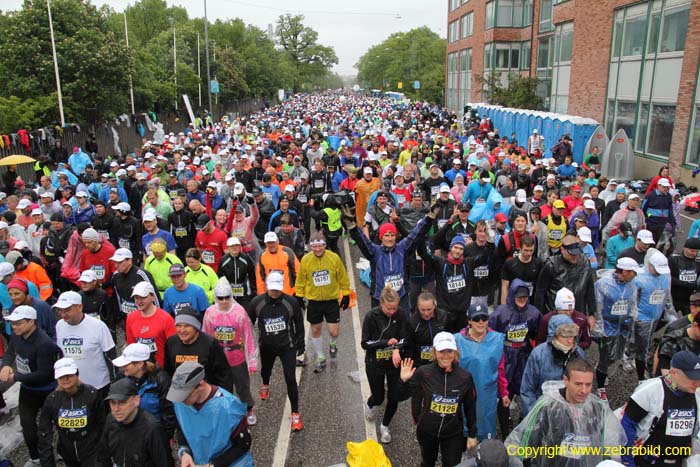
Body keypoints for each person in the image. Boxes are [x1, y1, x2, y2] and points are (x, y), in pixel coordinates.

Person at [506, 359, 625, 467]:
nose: (584, 390)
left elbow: (611, 446)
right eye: (578, 384)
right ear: (566, 380)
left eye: (588, 385)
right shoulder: (548, 406)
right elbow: (523, 440)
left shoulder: (597, 408)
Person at [399, 332, 478, 467]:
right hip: (427, 431)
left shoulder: (465, 377)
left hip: (453, 433)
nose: (446, 356)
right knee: (428, 462)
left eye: (449, 351)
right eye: (442, 351)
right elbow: (402, 396)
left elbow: (470, 406)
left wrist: (472, 434)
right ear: (435, 352)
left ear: (455, 352)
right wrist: (403, 380)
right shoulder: (423, 373)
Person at [0, 305, 62, 466]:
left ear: (31, 322)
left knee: (57, 425)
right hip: (28, 391)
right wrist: (6, 365)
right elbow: (10, 353)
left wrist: (16, 377)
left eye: (19, 323)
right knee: (27, 427)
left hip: (48, 390)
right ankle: (35, 458)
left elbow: (45, 374)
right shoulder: (16, 336)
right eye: (13, 323)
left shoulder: (44, 344)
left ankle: (63, 452)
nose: (14, 327)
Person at [345, 203, 436, 310]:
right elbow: (362, 241)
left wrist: (429, 218)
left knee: (404, 326)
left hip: (401, 299)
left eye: (392, 235)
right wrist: (353, 226)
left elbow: (416, 233)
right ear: (381, 237)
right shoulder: (375, 251)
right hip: (379, 300)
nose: (390, 238)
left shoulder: (402, 248)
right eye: (386, 235)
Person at [620, 351, 700, 467]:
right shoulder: (650, 390)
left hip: (678, 462)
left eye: (698, 377)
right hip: (648, 461)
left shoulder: (696, 395)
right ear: (673, 372)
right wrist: (628, 461)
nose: (696, 383)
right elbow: (627, 426)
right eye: (691, 378)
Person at [167, 361, 254, 467]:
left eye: (185, 395)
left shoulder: (229, 407)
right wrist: (185, 453)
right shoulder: (180, 402)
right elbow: (182, 429)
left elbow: (243, 445)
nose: (181, 401)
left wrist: (212, 465)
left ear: (201, 385)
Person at [249, 272, 305, 431]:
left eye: (277, 289)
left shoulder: (290, 302)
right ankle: (265, 384)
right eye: (272, 289)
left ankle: (295, 413)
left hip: (287, 346)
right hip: (266, 346)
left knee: (290, 378)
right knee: (266, 371)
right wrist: (249, 347)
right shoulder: (257, 302)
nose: (274, 292)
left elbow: (299, 323)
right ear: (267, 286)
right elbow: (248, 323)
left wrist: (301, 342)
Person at [203, 277, 259, 425]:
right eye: (220, 298)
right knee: (222, 390)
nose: (223, 301)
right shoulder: (210, 313)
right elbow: (206, 337)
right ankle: (225, 413)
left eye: (227, 298)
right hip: (219, 360)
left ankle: (249, 408)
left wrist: (252, 360)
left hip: (237, 359)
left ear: (231, 297)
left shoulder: (239, 312)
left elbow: (249, 337)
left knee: (243, 388)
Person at [489, 280, 541, 434]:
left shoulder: (533, 312)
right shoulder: (500, 313)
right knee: (505, 392)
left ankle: (523, 423)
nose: (522, 299)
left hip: (524, 355)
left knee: (527, 391)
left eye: (525, 296)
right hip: (506, 355)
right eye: (519, 297)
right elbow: (491, 334)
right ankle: (505, 428)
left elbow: (537, 333)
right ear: (512, 295)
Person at [295, 232, 351, 372]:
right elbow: (301, 279)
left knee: (334, 331)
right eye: (315, 246)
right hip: (314, 301)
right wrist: (299, 295)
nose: (318, 249)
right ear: (311, 247)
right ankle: (320, 357)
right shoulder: (306, 260)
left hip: (331, 300)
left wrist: (346, 293)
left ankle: (332, 343)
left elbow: (342, 276)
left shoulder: (334, 258)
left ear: (325, 245)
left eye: (320, 246)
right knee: (316, 329)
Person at [37, 358, 106, 467]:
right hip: (67, 453)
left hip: (92, 452)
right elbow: (44, 432)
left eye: (69, 374)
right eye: (61, 376)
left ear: (76, 374)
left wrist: (103, 453)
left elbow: (102, 424)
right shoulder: (52, 400)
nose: (66, 379)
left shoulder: (92, 394)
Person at [455, 303, 508, 441]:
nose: (480, 321)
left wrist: (504, 393)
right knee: (464, 424)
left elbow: (500, 369)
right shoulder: (457, 340)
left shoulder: (497, 340)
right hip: (464, 393)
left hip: (487, 395)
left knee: (486, 427)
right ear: (469, 321)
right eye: (476, 318)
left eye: (484, 318)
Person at [361, 286, 407, 444]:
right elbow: (365, 343)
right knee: (379, 397)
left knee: (394, 397)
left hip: (393, 363)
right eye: (389, 308)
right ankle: (370, 404)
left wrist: (396, 349)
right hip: (375, 362)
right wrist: (385, 342)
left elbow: (404, 338)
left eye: (395, 308)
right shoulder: (371, 316)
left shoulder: (401, 314)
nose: (392, 311)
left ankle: (385, 426)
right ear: (381, 304)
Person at [54, 290, 116, 398]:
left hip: (99, 384)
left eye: (67, 310)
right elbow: (61, 354)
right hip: (73, 385)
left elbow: (110, 355)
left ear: (80, 307)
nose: (63, 314)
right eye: (60, 310)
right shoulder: (59, 325)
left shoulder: (98, 326)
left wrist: (114, 381)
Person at [99, 378, 173, 467]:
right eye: (112, 403)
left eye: (122, 402)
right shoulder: (110, 420)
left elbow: (164, 463)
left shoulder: (152, 429)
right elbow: (103, 455)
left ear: (136, 401)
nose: (116, 409)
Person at [521, 314, 587, 415]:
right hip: (543, 411)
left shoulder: (579, 353)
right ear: (553, 335)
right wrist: (533, 416)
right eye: (564, 336)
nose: (570, 341)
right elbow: (528, 389)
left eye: (572, 336)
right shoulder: (538, 355)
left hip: (570, 412)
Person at [594, 257, 639, 401]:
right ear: (624, 271)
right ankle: (600, 386)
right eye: (633, 272)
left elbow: (632, 303)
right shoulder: (603, 284)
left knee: (616, 356)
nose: (635, 275)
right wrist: (599, 328)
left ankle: (604, 371)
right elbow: (598, 308)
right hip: (607, 327)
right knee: (605, 358)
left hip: (622, 327)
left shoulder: (631, 284)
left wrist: (632, 318)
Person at [111, 343, 176, 439]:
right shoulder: (121, 377)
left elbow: (169, 412)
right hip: (128, 433)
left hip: (154, 434)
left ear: (140, 364)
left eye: (126, 364)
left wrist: (164, 437)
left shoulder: (161, 380)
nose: (122, 366)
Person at [629, 252, 675, 381]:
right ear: (650, 265)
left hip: (656, 316)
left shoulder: (665, 275)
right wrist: (633, 317)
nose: (659, 272)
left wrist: (670, 314)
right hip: (641, 317)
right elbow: (632, 300)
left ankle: (632, 355)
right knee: (640, 343)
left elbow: (667, 296)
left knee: (645, 341)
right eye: (656, 269)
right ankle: (638, 367)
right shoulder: (639, 277)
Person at [163, 306, 233, 390]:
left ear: (196, 327)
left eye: (187, 326)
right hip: (180, 394)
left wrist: (223, 398)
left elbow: (224, 375)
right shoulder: (171, 342)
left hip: (205, 395)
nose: (182, 330)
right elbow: (168, 372)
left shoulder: (210, 343)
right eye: (178, 325)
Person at [535, 233, 597, 319]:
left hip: (578, 312)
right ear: (562, 249)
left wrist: (591, 313)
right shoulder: (551, 265)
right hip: (556, 314)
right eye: (571, 254)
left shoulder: (585, 262)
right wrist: (540, 317)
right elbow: (540, 292)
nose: (575, 257)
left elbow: (590, 288)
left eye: (577, 254)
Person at [125, 281, 176, 368]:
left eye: (143, 297)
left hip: (161, 369)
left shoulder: (166, 318)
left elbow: (174, 347)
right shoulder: (131, 318)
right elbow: (131, 345)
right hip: (140, 369)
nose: (139, 301)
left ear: (152, 296)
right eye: (136, 298)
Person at [218, 236, 257, 321]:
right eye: (232, 246)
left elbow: (252, 276)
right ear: (228, 248)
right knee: (229, 314)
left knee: (245, 314)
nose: (234, 248)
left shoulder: (246, 258)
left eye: (237, 246)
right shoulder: (223, 260)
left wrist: (254, 291)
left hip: (244, 292)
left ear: (240, 247)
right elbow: (220, 277)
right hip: (229, 292)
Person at [404, 292, 447, 368]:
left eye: (429, 309)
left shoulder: (443, 316)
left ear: (434, 305)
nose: (426, 313)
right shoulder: (412, 321)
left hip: (440, 360)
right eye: (422, 310)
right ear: (418, 307)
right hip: (420, 362)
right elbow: (409, 346)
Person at [255, 231, 300, 296]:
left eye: (273, 242)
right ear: (265, 244)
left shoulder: (287, 252)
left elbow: (298, 271)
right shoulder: (262, 255)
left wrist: (296, 290)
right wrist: (261, 293)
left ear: (277, 241)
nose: (271, 245)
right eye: (268, 243)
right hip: (270, 293)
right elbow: (259, 276)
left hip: (288, 292)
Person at [669, 237, 700, 314]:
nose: (694, 254)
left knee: (691, 321)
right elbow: (669, 278)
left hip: (689, 298)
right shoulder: (674, 258)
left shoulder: (698, 260)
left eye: (697, 251)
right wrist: (688, 284)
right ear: (685, 248)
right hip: (674, 296)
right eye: (692, 251)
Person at [642, 177, 675, 243]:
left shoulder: (668, 196)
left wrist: (672, 223)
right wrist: (649, 216)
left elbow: (670, 211)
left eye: (667, 187)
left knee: (659, 243)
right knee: (650, 242)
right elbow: (643, 209)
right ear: (658, 186)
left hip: (662, 225)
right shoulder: (651, 195)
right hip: (651, 224)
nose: (666, 189)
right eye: (664, 187)